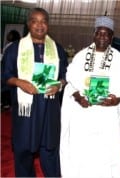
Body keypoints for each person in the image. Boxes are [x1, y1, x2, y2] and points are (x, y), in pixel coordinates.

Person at [59, 16, 120, 177]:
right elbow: (70, 82)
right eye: (99, 33)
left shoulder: (119, 59)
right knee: (82, 152)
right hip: (83, 113)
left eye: (106, 34)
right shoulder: (81, 56)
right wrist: (78, 97)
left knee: (106, 154)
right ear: (94, 34)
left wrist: (117, 99)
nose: (102, 37)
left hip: (107, 115)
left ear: (112, 37)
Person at [1, 7, 68, 177]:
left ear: (48, 24)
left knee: (50, 149)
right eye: (35, 21)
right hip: (26, 110)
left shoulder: (58, 49)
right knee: (23, 149)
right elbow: (5, 76)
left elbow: (64, 76)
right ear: (28, 23)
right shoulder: (14, 49)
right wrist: (19, 82)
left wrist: (59, 85)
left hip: (49, 107)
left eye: (43, 21)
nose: (39, 25)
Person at [1, 30, 21, 110]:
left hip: (9, 69)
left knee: (7, 86)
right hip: (9, 68)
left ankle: (7, 104)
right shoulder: (11, 45)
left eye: (9, 34)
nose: (7, 36)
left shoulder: (12, 46)